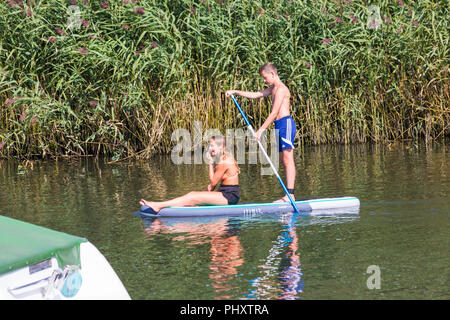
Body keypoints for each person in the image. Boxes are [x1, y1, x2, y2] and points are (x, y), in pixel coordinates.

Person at [226, 62, 296, 202]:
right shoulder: (272, 88)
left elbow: (274, 112)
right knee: (284, 160)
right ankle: (288, 196)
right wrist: (235, 92)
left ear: (272, 74)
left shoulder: (281, 89)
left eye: (265, 78)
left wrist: (260, 131)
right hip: (278, 125)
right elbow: (255, 95)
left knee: (288, 159)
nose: (264, 81)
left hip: (286, 124)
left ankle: (291, 196)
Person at [140, 135, 240, 213]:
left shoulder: (224, 161)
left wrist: (210, 163)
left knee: (192, 196)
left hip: (230, 196)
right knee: (193, 196)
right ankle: (163, 205)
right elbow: (211, 187)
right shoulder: (220, 159)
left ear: (221, 147)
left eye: (212, 145)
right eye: (209, 145)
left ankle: (159, 206)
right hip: (223, 193)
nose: (210, 148)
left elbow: (213, 182)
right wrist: (204, 200)